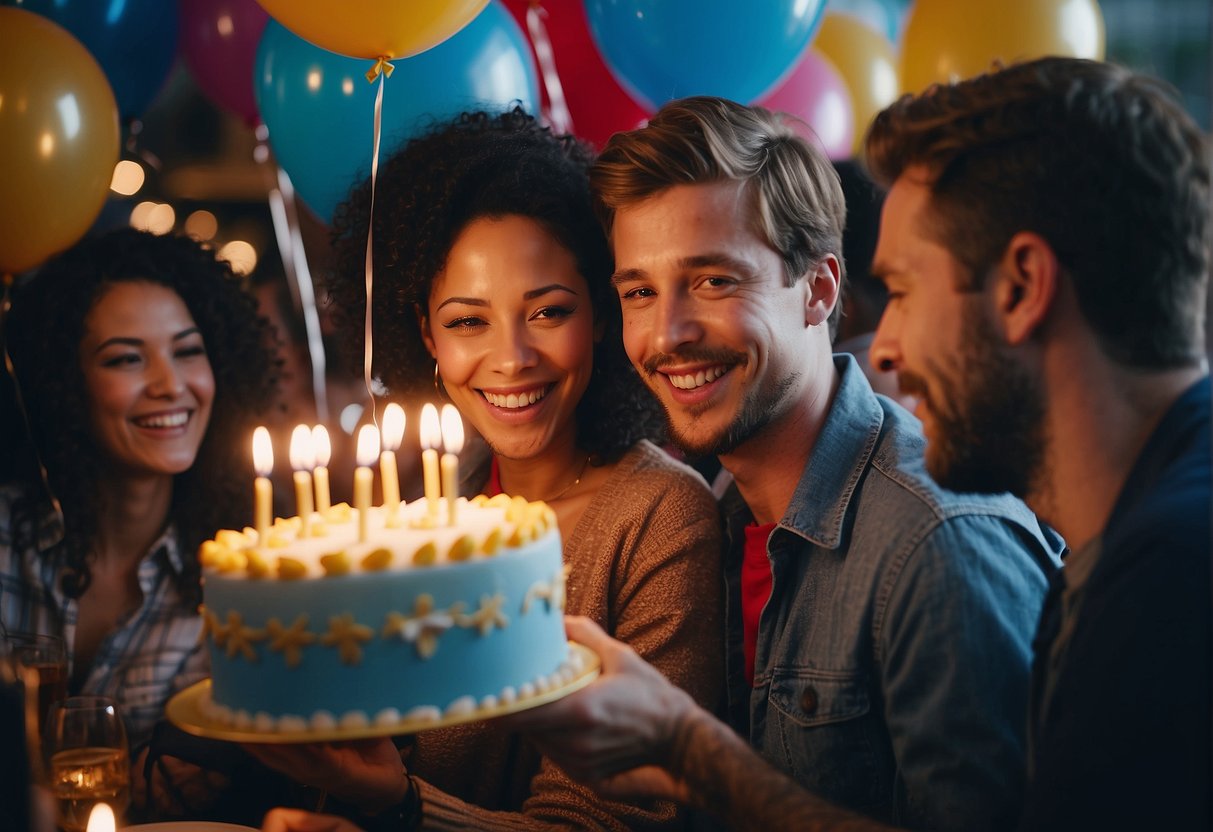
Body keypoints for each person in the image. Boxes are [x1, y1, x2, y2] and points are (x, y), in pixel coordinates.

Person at [510, 60, 1211, 832]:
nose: (886, 347)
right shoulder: (707, 510)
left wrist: (692, 755)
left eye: (712, 281)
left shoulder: (950, 544)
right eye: (637, 291)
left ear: (818, 289)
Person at [244, 108, 725, 831]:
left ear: (598, 313)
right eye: (468, 321)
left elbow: (609, 821)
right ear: (425, 336)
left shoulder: (662, 518)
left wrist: (400, 806)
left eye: (547, 312)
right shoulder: (431, 517)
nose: (511, 359)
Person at [864, 56, 1211, 830]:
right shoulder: (1116, 546)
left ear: (1020, 286)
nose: (881, 348)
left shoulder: (1170, 590)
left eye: (900, 291)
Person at [0, 229, 279, 805]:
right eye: (127, 358)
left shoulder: (240, 577)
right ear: (63, 382)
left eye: (187, 350)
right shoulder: (7, 539)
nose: (171, 385)